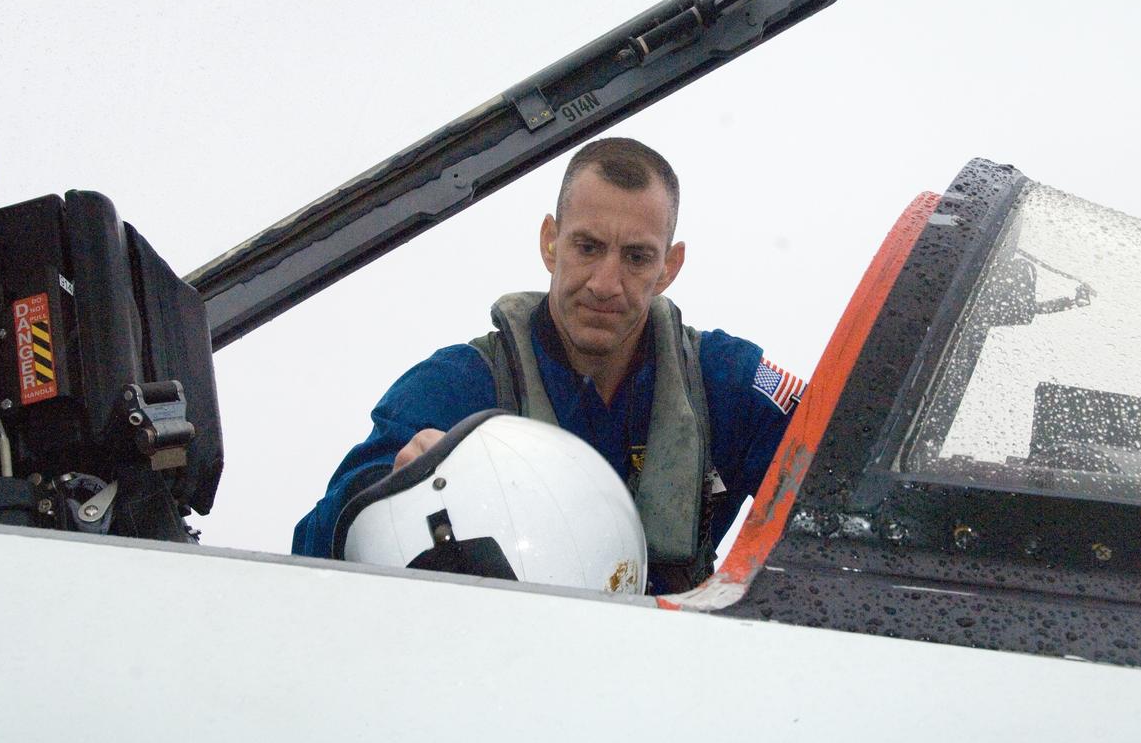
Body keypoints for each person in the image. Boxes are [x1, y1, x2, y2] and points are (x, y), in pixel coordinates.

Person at [293, 138, 804, 594]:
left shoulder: (727, 381)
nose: (606, 283)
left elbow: (837, 462)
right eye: (588, 247)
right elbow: (315, 547)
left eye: (636, 257)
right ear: (549, 242)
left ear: (669, 267)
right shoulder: (459, 384)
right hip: (507, 655)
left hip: (674, 657)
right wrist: (388, 489)